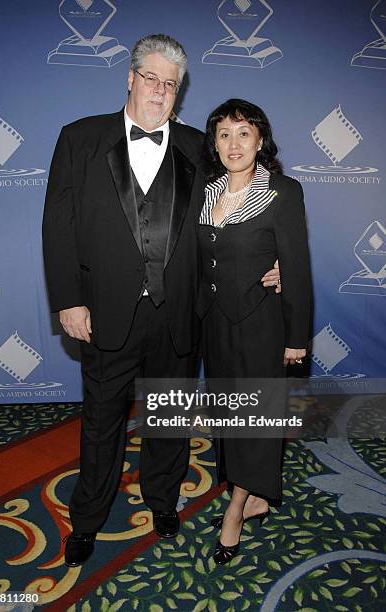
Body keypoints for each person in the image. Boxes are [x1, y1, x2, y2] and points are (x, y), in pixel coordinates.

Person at [43, 35, 281, 568]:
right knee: (101, 424)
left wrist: (279, 250)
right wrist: (67, 300)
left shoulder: (199, 145)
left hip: (178, 314)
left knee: (168, 419)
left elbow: (255, 184)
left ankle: (161, 500)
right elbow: (58, 226)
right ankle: (87, 520)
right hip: (103, 312)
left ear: (179, 92)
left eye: (170, 84)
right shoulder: (79, 139)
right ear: (130, 78)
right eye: (150, 78)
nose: (159, 90)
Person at [197, 99, 311, 565]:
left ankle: (236, 510)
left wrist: (296, 337)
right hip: (216, 324)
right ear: (215, 144)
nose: (234, 143)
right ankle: (257, 494)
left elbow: (297, 268)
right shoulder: (205, 191)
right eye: (224, 134)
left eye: (244, 133)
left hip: (263, 324)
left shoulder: (283, 191)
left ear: (261, 140)